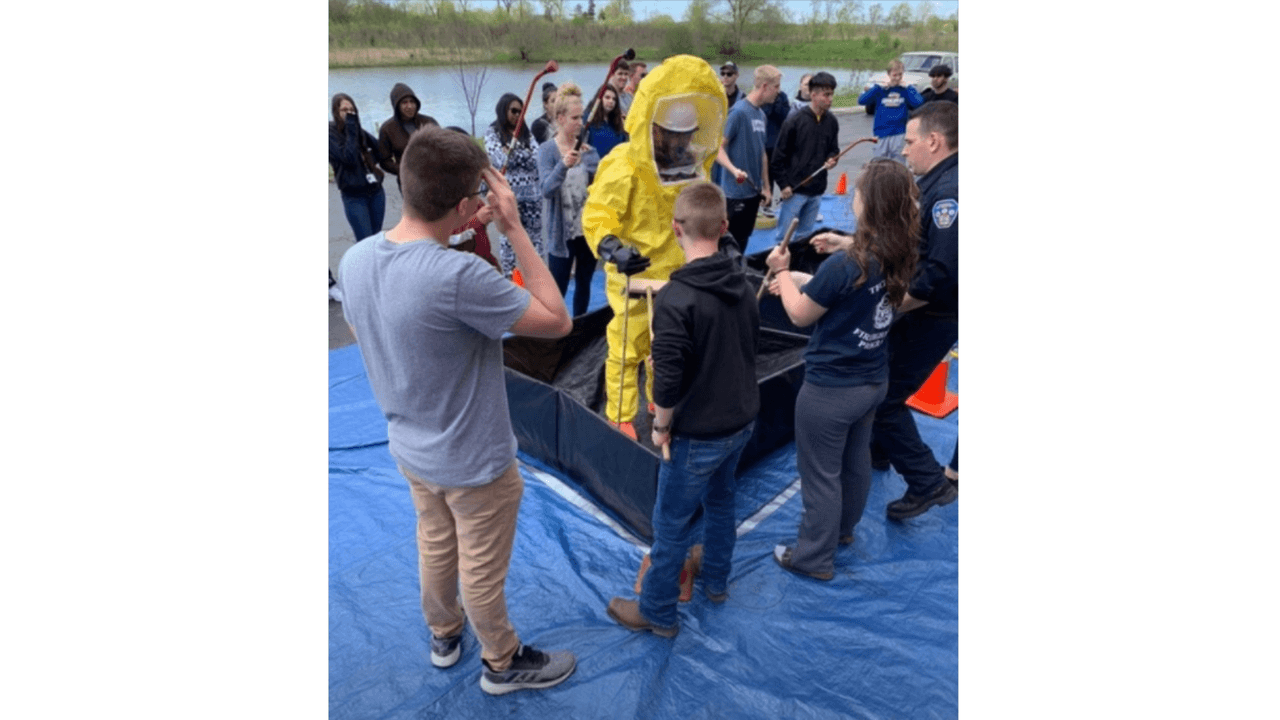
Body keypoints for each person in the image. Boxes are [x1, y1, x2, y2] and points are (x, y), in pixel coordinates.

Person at [338, 126, 575, 695]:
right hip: (475, 462)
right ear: (468, 203)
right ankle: (502, 660)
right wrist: (514, 227)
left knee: (435, 543)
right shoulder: (458, 276)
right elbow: (557, 320)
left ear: (405, 182)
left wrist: (459, 231)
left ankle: (444, 633)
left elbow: (395, 314)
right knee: (482, 569)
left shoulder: (356, 258)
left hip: (412, 450)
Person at [606, 181, 759, 635]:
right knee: (722, 501)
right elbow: (740, 348)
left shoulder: (676, 298)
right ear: (724, 227)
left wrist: (661, 425)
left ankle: (656, 612)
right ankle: (715, 581)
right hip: (741, 422)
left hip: (700, 434)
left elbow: (668, 384)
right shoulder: (744, 282)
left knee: (670, 526)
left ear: (676, 229)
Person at [764, 158, 920, 580]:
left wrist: (783, 274)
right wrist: (812, 268)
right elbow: (840, 289)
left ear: (867, 203)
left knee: (819, 476)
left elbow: (799, 314)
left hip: (831, 388)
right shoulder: (897, 251)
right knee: (854, 463)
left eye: (858, 191)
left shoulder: (845, 266)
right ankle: (843, 531)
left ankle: (813, 557)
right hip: (871, 379)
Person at [583, 54, 728, 440]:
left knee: (668, 347)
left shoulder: (692, 164)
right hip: (634, 277)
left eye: (686, 135)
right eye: (672, 134)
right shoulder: (625, 164)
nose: (680, 142)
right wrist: (613, 249)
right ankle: (619, 415)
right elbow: (598, 215)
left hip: (676, 276)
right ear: (654, 127)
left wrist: (718, 238)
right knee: (627, 348)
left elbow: (701, 207)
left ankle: (658, 399)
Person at [871, 100, 959, 521]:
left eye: (909, 142)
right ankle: (877, 451)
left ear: (934, 141)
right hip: (927, 309)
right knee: (882, 381)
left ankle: (927, 482)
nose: (904, 151)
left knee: (884, 399)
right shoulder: (940, 181)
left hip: (932, 315)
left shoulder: (949, 195)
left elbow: (938, 273)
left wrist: (888, 306)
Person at [537, 83, 601, 315]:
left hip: (586, 231)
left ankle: (579, 332)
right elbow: (546, 189)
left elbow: (598, 188)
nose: (580, 122)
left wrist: (592, 160)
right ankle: (554, 337)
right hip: (561, 236)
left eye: (582, 116)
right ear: (561, 118)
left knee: (584, 285)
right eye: (575, 117)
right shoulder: (547, 151)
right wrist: (564, 165)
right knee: (558, 291)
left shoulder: (588, 150)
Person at [716, 64, 781, 255]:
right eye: (776, 87)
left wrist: (767, 187)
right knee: (728, 245)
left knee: (743, 241)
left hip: (753, 194)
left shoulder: (761, 115)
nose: (778, 91)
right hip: (735, 195)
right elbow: (717, 149)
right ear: (764, 86)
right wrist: (734, 170)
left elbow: (762, 154)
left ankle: (738, 275)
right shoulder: (738, 112)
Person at [771, 72, 840, 245]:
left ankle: (799, 268)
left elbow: (834, 149)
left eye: (831, 94)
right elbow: (778, 156)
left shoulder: (832, 122)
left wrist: (833, 159)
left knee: (805, 237)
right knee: (783, 238)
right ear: (813, 94)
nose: (830, 99)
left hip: (816, 190)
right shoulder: (794, 121)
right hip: (795, 190)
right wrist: (783, 184)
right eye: (826, 95)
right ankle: (779, 269)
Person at [484, 93, 543, 278]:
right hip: (509, 197)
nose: (518, 115)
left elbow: (537, 158)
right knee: (509, 241)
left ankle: (538, 279)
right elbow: (501, 159)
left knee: (535, 240)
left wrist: (513, 151)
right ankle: (510, 281)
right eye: (514, 111)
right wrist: (520, 154)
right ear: (504, 110)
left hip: (532, 197)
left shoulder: (526, 132)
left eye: (521, 111)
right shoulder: (492, 132)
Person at [329, 93, 389, 243]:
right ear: (336, 112)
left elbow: (381, 151)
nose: (350, 113)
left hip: (375, 192)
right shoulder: (330, 133)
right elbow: (348, 158)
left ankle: (377, 267)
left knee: (376, 240)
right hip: (354, 197)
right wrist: (351, 126)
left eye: (352, 110)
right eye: (345, 110)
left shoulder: (359, 131)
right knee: (366, 243)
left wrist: (370, 162)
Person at [857, 60, 924, 164]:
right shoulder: (881, 89)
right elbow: (862, 100)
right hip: (881, 133)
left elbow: (918, 103)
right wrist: (877, 87)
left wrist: (909, 87)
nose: (897, 78)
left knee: (898, 164)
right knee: (880, 164)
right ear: (889, 74)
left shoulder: (905, 90)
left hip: (899, 133)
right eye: (894, 75)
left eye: (900, 75)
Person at [378, 83, 439, 193]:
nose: (409, 106)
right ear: (396, 106)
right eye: (404, 103)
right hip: (408, 183)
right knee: (414, 211)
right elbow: (384, 161)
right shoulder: (387, 129)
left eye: (412, 102)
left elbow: (443, 147)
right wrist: (403, 170)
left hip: (433, 179)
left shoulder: (429, 122)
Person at [760, 76, 792, 214]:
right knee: (766, 180)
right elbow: (764, 114)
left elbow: (785, 116)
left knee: (783, 178)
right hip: (764, 145)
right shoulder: (760, 97)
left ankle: (786, 205)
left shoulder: (782, 96)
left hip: (778, 146)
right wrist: (770, 104)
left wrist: (777, 103)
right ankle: (765, 208)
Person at [585, 84, 628, 160]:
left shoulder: (617, 123)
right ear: (600, 98)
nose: (611, 101)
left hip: (614, 167)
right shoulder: (589, 118)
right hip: (593, 167)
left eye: (614, 99)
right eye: (607, 97)